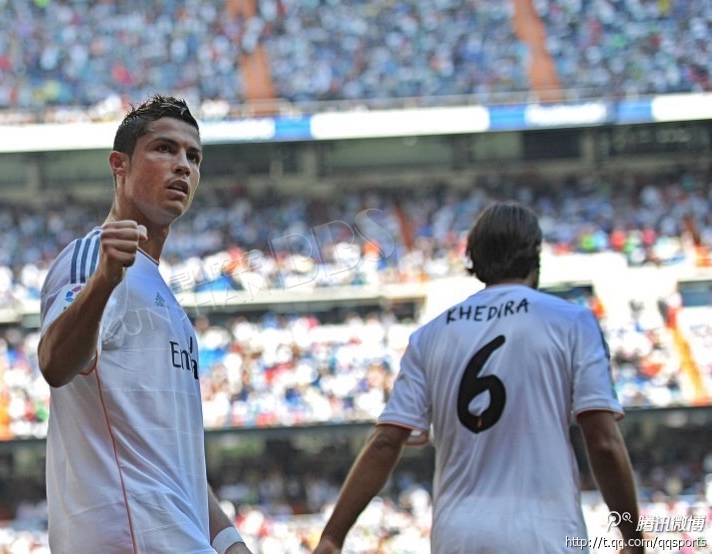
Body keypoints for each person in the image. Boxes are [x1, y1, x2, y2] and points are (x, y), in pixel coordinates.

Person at [314, 203, 644, 554]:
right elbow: (603, 443)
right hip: (545, 533)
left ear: (473, 258)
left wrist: (333, 536)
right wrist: (633, 538)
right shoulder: (573, 322)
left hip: (457, 537)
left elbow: (384, 444)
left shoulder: (429, 335)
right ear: (535, 256)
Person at [38, 95, 250, 554]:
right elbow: (55, 363)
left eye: (193, 157)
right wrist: (104, 280)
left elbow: (178, 467)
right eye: (164, 149)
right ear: (120, 165)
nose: (183, 166)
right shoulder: (92, 258)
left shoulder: (164, 296)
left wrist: (233, 546)